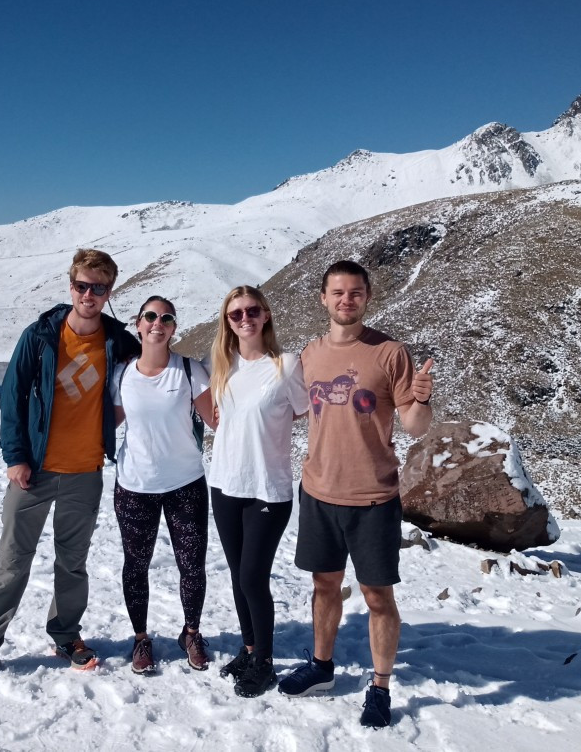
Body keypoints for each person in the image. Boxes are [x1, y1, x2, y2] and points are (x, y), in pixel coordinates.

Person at [0, 248, 140, 691]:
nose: (89, 294)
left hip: (86, 471)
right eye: (82, 285)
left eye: (99, 287)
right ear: (70, 285)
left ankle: (66, 636)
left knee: (73, 564)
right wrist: (15, 457)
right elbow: (11, 395)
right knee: (12, 563)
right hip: (35, 471)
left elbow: (150, 372)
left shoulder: (118, 340)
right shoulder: (41, 335)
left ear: (111, 291)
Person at [277, 260, 434, 729]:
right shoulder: (309, 354)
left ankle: (381, 686)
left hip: (372, 496)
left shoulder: (389, 353)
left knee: (377, 595)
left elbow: (414, 426)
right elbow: (301, 412)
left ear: (367, 297)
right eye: (338, 293)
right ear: (323, 298)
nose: (347, 300)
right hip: (319, 492)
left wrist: (421, 399)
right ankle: (322, 668)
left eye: (356, 293)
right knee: (324, 585)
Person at [207, 286, 309, 698]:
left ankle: (264, 662)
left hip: (268, 488)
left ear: (266, 315)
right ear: (227, 322)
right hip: (225, 484)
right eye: (235, 314)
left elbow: (310, 411)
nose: (244, 318)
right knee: (237, 575)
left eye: (252, 311)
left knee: (253, 576)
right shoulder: (222, 366)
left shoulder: (286, 366)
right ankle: (249, 650)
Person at [111, 295, 215, 676]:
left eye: (166, 317)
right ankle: (140, 638)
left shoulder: (189, 371)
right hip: (134, 485)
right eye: (150, 316)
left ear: (173, 327)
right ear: (138, 324)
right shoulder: (122, 375)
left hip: (185, 484)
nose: (158, 323)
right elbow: (108, 423)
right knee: (135, 566)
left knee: (192, 565)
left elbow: (218, 420)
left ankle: (191, 633)